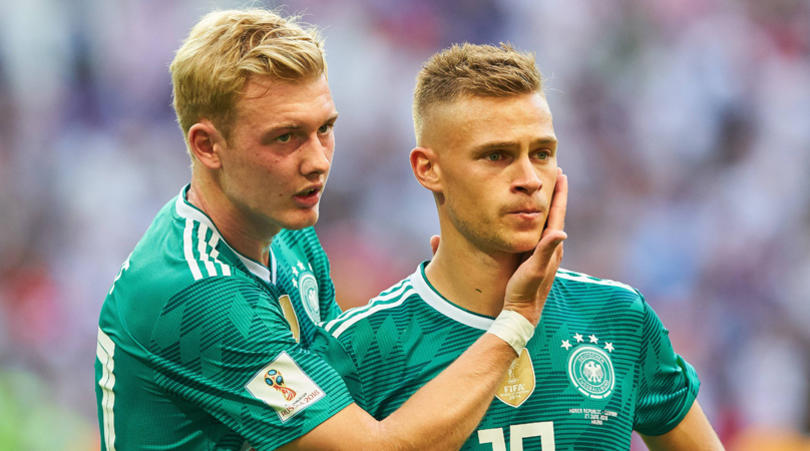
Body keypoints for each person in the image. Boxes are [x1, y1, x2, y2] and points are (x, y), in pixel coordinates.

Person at [94, 10, 567, 451]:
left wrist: (446, 286)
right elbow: (377, 446)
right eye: (286, 137)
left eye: (325, 129)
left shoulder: (285, 232)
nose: (317, 161)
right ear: (207, 146)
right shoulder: (197, 294)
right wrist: (515, 318)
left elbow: (348, 382)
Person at [313, 43, 724, 450]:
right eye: (496, 156)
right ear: (428, 168)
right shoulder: (360, 347)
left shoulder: (618, 318)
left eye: (542, 153)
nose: (529, 178)